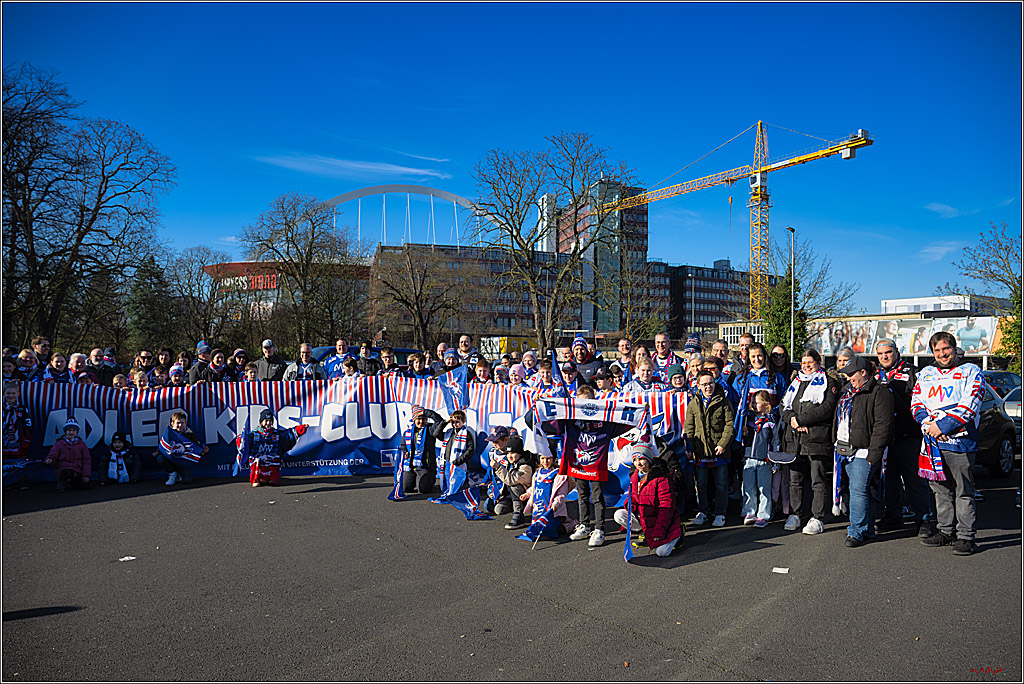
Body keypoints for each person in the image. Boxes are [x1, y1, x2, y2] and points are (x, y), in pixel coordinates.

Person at [912, 331, 985, 556]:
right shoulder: (926, 373)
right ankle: (945, 531)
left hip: (961, 443)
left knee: (964, 490)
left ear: (954, 348)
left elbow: (970, 405)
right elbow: (916, 402)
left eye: (946, 349)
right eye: (937, 350)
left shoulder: (972, 371)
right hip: (933, 443)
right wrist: (929, 426)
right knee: (940, 490)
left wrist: (942, 427)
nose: (942, 354)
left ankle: (966, 537)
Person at [874, 339, 933, 536]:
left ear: (897, 352)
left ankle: (923, 518)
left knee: (914, 480)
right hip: (886, 438)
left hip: (909, 436)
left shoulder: (913, 372)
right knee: (890, 479)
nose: (884, 356)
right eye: (880, 353)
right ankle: (893, 515)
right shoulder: (876, 375)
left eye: (888, 352)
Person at [833, 355, 893, 548]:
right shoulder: (848, 392)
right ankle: (866, 529)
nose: (849, 377)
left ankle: (856, 531)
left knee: (858, 491)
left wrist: (873, 454)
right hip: (845, 450)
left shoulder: (879, 392)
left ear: (863, 372)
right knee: (859, 491)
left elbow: (882, 425)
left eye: (852, 374)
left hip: (864, 451)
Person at [779, 349, 840, 535]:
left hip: (817, 439)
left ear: (818, 362)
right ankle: (795, 514)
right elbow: (784, 406)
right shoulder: (795, 382)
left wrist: (802, 420)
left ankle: (818, 517)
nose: (806, 366)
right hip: (795, 439)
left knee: (818, 480)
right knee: (795, 480)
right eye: (803, 363)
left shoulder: (828, 382)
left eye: (810, 362)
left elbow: (827, 408)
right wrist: (793, 421)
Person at [685, 369, 735, 527]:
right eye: (705, 384)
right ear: (698, 385)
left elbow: (729, 425)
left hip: (719, 451)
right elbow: (689, 428)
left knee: (721, 484)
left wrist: (722, 444)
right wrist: (690, 448)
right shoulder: (693, 403)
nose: (708, 387)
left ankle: (720, 513)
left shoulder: (724, 401)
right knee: (701, 484)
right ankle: (703, 511)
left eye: (711, 383)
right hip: (701, 452)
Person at [614, 442, 683, 556]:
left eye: (641, 459)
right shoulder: (635, 476)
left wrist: (659, 531)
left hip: (662, 520)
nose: (638, 463)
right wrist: (631, 505)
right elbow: (632, 498)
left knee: (662, 552)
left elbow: (666, 508)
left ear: (649, 459)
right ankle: (644, 532)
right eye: (635, 460)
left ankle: (678, 533)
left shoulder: (662, 479)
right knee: (619, 514)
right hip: (646, 517)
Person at [239, 409, 309, 487]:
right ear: (261, 421)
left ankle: (270, 478)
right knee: (256, 459)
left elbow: (288, 435)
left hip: (272, 457)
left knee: (276, 458)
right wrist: (240, 440)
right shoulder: (254, 433)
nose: (268, 423)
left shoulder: (276, 433)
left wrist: (300, 429)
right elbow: (244, 442)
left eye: (270, 421)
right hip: (258, 458)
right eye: (266, 420)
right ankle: (256, 479)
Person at [521, 448, 578, 537]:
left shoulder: (558, 474)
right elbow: (534, 487)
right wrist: (527, 494)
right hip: (538, 506)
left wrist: (556, 504)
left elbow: (561, 493)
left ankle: (571, 524)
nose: (545, 461)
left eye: (548, 458)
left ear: (553, 458)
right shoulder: (537, 473)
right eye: (543, 458)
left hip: (552, 509)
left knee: (553, 531)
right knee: (538, 529)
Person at [743, 391, 779, 527]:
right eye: (752, 402)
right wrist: (745, 434)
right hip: (748, 458)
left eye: (757, 402)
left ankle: (764, 514)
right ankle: (749, 511)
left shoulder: (771, 420)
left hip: (764, 459)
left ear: (766, 404)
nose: (753, 405)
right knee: (748, 487)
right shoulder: (748, 419)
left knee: (764, 489)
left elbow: (775, 441)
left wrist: (775, 462)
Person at [490, 432, 534, 529]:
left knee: (515, 487)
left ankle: (519, 515)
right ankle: (514, 508)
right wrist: (494, 491)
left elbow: (511, 480)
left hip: (528, 497)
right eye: (508, 453)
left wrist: (498, 468)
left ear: (519, 453)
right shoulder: (510, 463)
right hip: (511, 495)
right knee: (497, 509)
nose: (510, 456)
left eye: (513, 453)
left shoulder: (525, 466)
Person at [400, 405, 445, 494]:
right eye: (418, 419)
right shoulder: (407, 432)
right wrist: (405, 452)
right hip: (411, 466)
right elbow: (403, 446)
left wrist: (425, 412)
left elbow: (439, 421)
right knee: (406, 489)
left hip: (425, 466)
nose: (421, 421)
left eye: (423, 419)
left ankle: (430, 478)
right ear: (414, 420)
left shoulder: (430, 429)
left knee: (423, 490)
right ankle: (416, 478)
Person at [157, 410, 209, 486]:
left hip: (183, 461)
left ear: (185, 423)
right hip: (171, 459)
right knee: (160, 458)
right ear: (172, 423)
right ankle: (172, 473)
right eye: (178, 423)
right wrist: (157, 452)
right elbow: (163, 445)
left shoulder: (190, 434)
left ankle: (179, 475)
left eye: (182, 423)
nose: (180, 425)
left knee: (187, 481)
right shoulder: (169, 433)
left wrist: (203, 451)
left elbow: (197, 448)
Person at [45, 417, 91, 491]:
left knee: (85, 486)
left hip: (77, 470)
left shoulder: (82, 444)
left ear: (77, 432)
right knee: (66, 474)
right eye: (69, 430)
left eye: (74, 430)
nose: (71, 433)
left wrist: (86, 475)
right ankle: (64, 482)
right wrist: (50, 459)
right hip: (64, 469)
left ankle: (73, 481)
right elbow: (53, 453)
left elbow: (86, 460)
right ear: (65, 431)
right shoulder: (59, 443)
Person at [432, 410, 476, 475]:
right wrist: (445, 422)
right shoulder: (449, 433)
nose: (455, 424)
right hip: (447, 465)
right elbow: (436, 434)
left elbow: (470, 450)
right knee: (446, 484)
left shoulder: (467, 434)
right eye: (453, 422)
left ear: (463, 421)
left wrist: (457, 462)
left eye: (457, 422)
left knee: (459, 484)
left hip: (459, 466)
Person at [2, 382, 32, 461]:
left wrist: (26, 440)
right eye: (8, 393)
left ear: (18, 394)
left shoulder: (22, 408)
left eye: (13, 393)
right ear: (3, 394)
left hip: (19, 444)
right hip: (4, 444)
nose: (11, 396)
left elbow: (28, 425)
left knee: (18, 465)